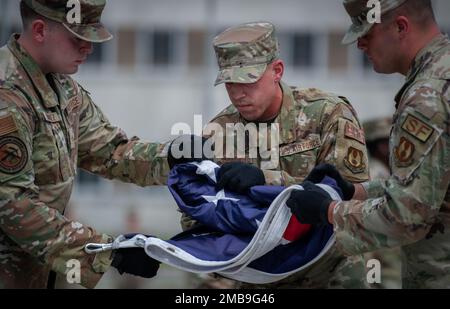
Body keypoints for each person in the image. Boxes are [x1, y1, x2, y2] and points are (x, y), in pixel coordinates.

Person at [181, 21, 371, 289]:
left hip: (330, 274)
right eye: (229, 83)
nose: (238, 94)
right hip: (258, 280)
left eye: (248, 80)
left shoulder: (327, 114)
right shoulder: (218, 132)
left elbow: (354, 198)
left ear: (277, 71)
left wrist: (266, 182)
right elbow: (199, 215)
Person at [0, 0, 175, 288]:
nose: (89, 48)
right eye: (77, 38)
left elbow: (110, 152)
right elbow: (14, 206)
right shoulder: (7, 95)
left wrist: (179, 158)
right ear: (40, 30)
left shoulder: (62, 86)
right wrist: (107, 252)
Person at [287, 0, 450, 288]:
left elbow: (407, 218)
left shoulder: (426, 98)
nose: (360, 45)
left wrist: (327, 211)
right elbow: (433, 185)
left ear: (400, 27)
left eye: (367, 34)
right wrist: (356, 191)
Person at [363, 117, 401, 289]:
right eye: (383, 142)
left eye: (390, 141)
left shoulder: (391, 170)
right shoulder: (375, 171)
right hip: (377, 248)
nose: (389, 147)